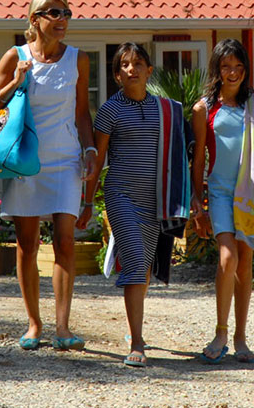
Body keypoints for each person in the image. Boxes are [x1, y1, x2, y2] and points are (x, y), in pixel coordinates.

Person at [0, 0, 99, 351]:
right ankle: (34, 324)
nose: (61, 19)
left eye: (66, 12)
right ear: (35, 20)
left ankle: (63, 326)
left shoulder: (78, 60)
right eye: (53, 13)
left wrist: (90, 147)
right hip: (24, 162)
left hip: (65, 159)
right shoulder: (14, 56)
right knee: (27, 245)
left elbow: (81, 111)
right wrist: (16, 83)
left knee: (64, 241)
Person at [84, 43, 190, 367]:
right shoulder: (110, 110)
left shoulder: (166, 110)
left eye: (138, 63)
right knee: (133, 262)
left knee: (143, 269)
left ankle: (134, 329)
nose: (132, 69)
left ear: (149, 71)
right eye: (125, 65)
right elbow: (98, 158)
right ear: (117, 74)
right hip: (121, 196)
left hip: (154, 200)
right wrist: (87, 201)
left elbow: (181, 154)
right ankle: (138, 343)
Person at [190, 38, 254, 364]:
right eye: (226, 66)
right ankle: (220, 332)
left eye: (238, 66)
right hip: (219, 193)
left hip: (252, 195)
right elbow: (198, 160)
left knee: (244, 263)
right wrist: (198, 204)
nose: (232, 72)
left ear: (245, 69)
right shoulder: (205, 108)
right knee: (228, 256)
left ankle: (240, 338)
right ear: (217, 69)